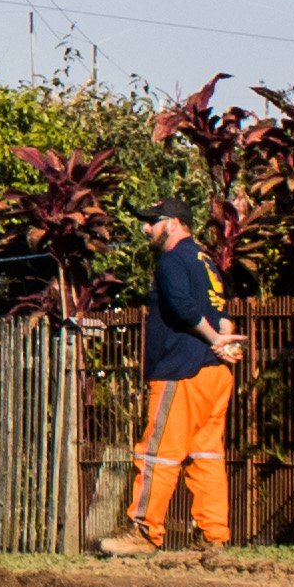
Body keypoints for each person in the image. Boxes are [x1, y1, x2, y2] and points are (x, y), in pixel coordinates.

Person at [106, 208, 246, 553]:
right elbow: (223, 312)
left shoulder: (171, 261)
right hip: (215, 374)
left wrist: (213, 341)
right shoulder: (206, 262)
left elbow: (183, 308)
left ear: (173, 223)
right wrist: (222, 346)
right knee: (206, 455)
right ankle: (213, 536)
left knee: (159, 454)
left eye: (152, 221)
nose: (145, 227)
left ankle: (143, 531)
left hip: (180, 372)